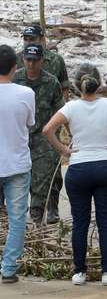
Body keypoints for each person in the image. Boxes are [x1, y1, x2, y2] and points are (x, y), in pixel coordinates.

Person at [43, 64, 107, 286]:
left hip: (78, 169)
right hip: (106, 168)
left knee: (80, 222)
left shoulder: (70, 107)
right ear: (99, 84)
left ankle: (79, 272)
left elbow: (47, 130)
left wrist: (64, 150)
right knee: (105, 221)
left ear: (77, 85)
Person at [13, 44, 64, 225]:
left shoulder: (51, 82)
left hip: (42, 138)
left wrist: (55, 136)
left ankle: (37, 217)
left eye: (35, 60)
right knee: (15, 179)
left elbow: (60, 111)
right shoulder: (14, 79)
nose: (32, 64)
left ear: (42, 60)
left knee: (42, 179)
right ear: (23, 60)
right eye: (28, 60)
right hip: (18, 137)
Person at [0, 44, 35, 284]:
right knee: (17, 219)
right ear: (16, 67)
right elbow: (31, 123)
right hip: (17, 165)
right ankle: (9, 268)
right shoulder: (26, 94)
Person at [16, 25, 70, 97]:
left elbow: (64, 87)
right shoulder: (16, 59)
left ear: (42, 40)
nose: (28, 43)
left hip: (48, 105)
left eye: (32, 39)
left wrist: (63, 106)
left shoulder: (56, 60)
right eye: (25, 39)